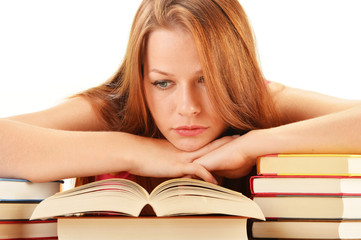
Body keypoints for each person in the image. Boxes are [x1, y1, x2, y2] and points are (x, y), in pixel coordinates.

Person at [1, 0, 360, 194]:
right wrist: (143, 152)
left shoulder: (262, 100)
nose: (188, 107)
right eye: (163, 83)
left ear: (234, 76)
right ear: (140, 79)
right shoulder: (117, 107)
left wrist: (252, 145)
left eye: (206, 80)